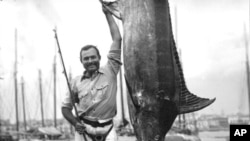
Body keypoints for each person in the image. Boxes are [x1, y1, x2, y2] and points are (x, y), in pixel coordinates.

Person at [61, 2, 122, 141]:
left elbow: (117, 39)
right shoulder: (75, 82)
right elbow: (65, 108)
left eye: (93, 57)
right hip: (84, 129)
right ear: (81, 61)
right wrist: (75, 123)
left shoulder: (111, 69)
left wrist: (108, 14)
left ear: (99, 58)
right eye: (86, 58)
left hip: (108, 129)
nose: (90, 61)